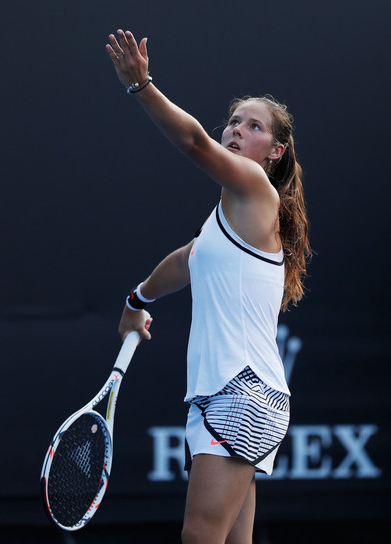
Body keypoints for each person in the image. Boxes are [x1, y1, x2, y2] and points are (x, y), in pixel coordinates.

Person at [105, 30, 311, 544]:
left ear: (275, 151)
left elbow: (194, 141)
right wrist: (138, 300)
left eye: (254, 126)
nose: (237, 130)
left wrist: (141, 86)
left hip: (238, 393)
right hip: (242, 397)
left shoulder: (257, 191)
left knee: (200, 538)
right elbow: (187, 261)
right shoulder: (227, 221)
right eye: (235, 121)